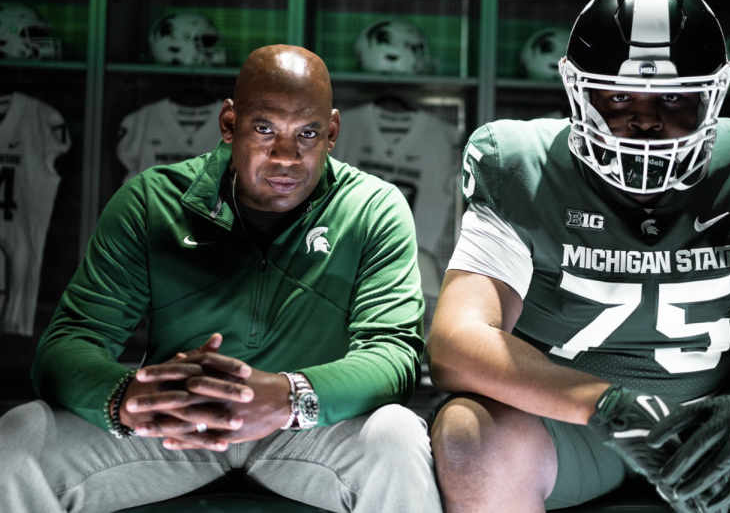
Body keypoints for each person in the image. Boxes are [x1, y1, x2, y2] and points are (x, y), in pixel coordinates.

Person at [427, 0, 730, 513]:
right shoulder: (523, 166)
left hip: (720, 423)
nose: (645, 120)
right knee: (469, 436)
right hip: (570, 427)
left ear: (714, 93)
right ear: (577, 88)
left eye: (674, 96)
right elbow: (457, 340)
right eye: (619, 93)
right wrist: (605, 406)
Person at [0, 45, 441, 513]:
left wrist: (289, 396)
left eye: (307, 133)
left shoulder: (373, 208)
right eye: (264, 129)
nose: (286, 156)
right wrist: (126, 396)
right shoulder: (153, 201)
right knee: (18, 437)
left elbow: (394, 357)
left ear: (331, 132)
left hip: (310, 429)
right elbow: (68, 342)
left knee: (397, 436)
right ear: (229, 123)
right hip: (176, 423)